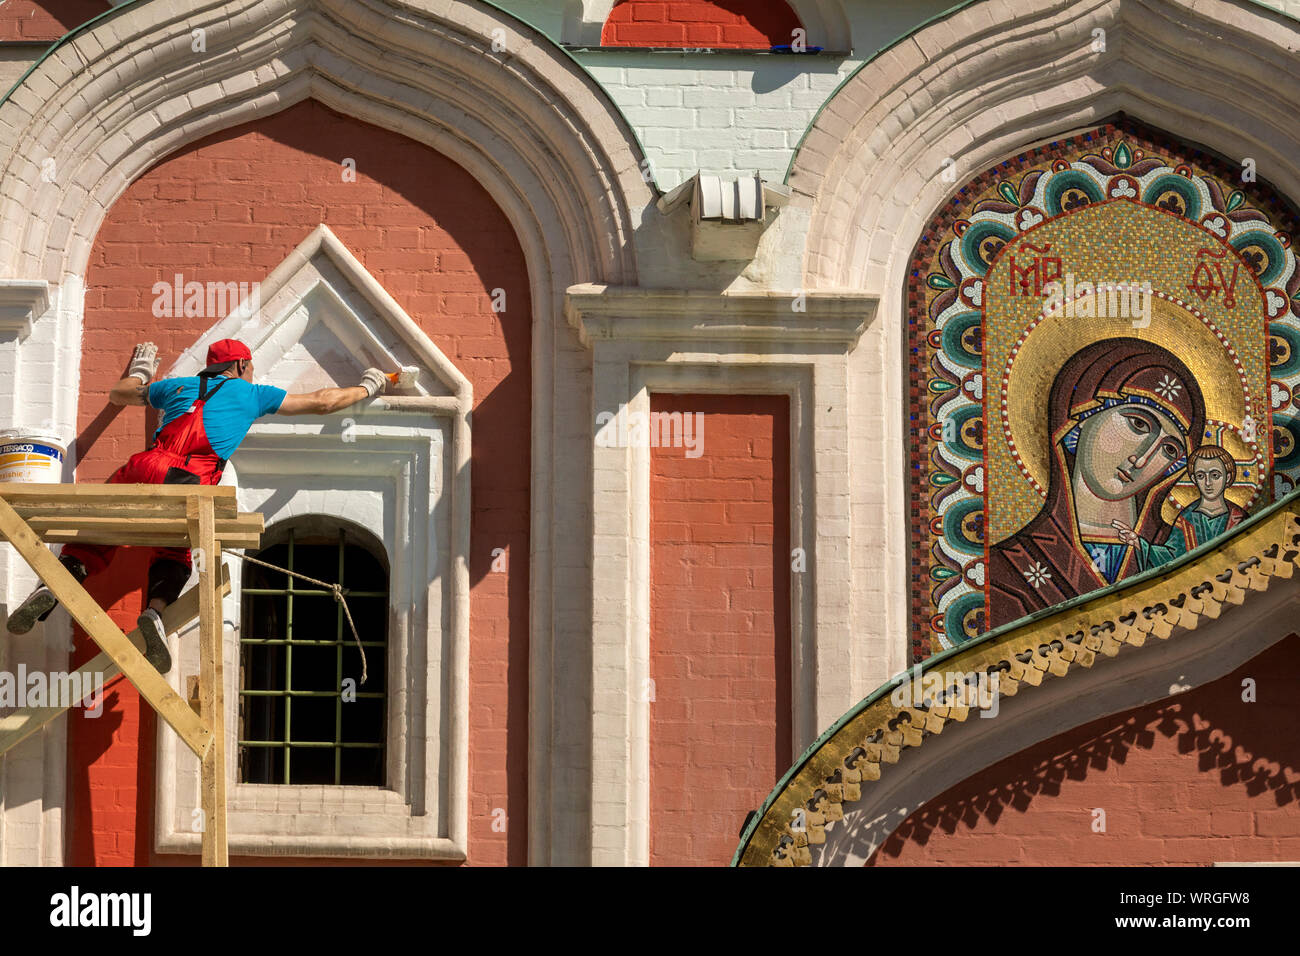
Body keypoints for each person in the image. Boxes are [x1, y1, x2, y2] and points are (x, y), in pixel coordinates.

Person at [5, 339, 390, 673]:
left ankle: (54, 586)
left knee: (95, 530)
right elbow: (323, 402)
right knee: (175, 547)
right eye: (250, 366)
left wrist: (142, 370)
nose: (252, 373)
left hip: (142, 465)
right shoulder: (252, 394)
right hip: (189, 477)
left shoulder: (176, 387)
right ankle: (155, 611)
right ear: (240, 365)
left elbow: (119, 394)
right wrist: (370, 386)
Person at [987, 338, 1204, 627]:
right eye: (1138, 424)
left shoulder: (1179, 553)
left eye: (1169, 450)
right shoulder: (1005, 570)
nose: (1142, 460)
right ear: (1078, 418)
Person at [1112, 444, 1246, 570]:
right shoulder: (1187, 518)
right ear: (1193, 479)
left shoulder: (1238, 517)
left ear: (1227, 478)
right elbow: (1171, 557)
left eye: (1215, 475)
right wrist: (1138, 542)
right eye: (1200, 476)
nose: (1208, 482)